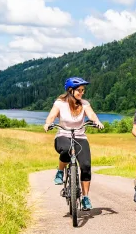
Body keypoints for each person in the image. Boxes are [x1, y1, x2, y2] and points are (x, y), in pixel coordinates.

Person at [43, 77, 104, 211]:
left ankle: (85, 198)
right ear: (70, 90)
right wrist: (48, 123)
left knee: (86, 166)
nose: (82, 93)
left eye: (83, 90)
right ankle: (60, 171)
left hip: (80, 137)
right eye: (79, 90)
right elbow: (52, 115)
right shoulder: (60, 103)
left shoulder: (84, 104)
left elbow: (91, 115)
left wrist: (97, 121)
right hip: (63, 135)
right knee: (65, 150)